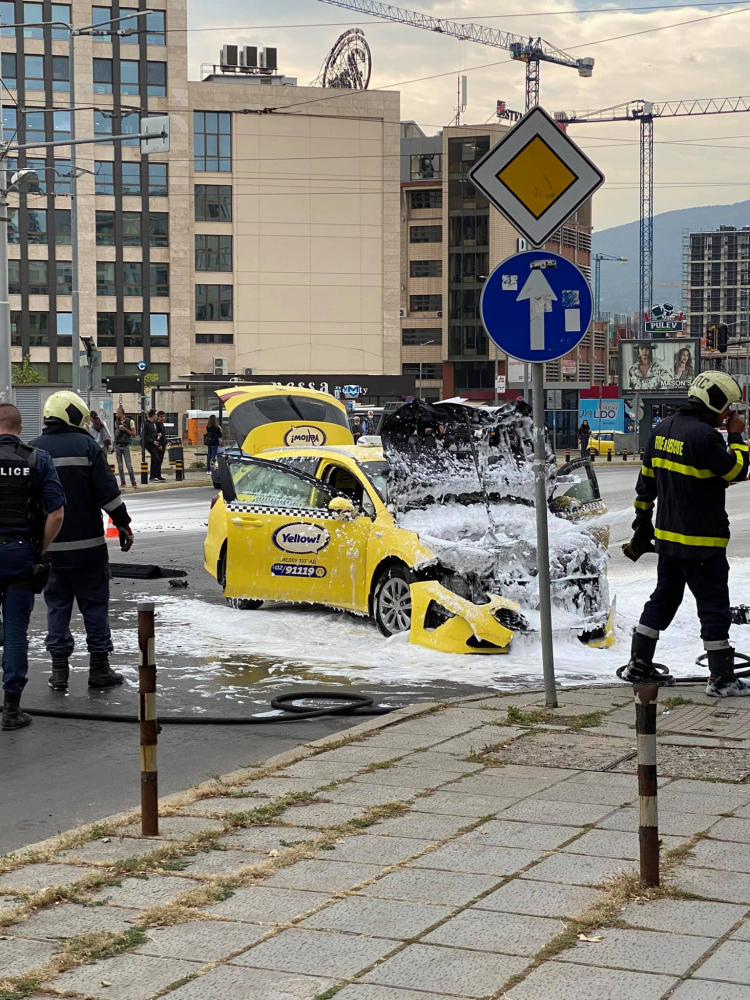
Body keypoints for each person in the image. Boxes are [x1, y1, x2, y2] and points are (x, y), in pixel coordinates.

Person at [622, 371, 750, 697]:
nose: (729, 414)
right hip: (703, 543)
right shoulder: (705, 437)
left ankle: (639, 663)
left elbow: (644, 487)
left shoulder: (662, 430)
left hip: (668, 541)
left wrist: (642, 527)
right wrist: (737, 436)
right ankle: (721, 678)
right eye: (727, 407)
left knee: (663, 599)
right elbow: (738, 470)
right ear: (714, 403)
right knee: (714, 607)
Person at [29, 391, 134, 692]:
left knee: (57, 608)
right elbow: (107, 493)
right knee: (95, 607)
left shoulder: (33, 450)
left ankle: (59, 672)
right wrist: (124, 525)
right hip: (88, 548)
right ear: (72, 415)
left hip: (49, 551)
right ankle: (99, 669)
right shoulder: (87, 446)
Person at [0, 403, 65, 730]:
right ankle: (11, 710)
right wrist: (38, 549)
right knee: (14, 630)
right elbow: (56, 513)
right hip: (19, 553)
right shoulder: (36, 459)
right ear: (19, 427)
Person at [114, 405, 137, 489]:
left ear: (121, 413)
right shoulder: (116, 422)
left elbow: (134, 434)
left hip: (125, 446)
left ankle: (133, 481)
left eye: (117, 413)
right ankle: (122, 481)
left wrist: (125, 429)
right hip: (117, 445)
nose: (116, 414)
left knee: (129, 465)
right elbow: (116, 434)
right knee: (120, 466)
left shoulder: (130, 421)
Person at [143, 410, 165, 483]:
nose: (156, 417)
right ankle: (153, 476)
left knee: (156, 459)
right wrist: (153, 441)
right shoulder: (146, 424)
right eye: (155, 415)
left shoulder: (152, 424)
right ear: (153, 415)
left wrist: (157, 436)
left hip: (153, 444)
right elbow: (144, 436)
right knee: (156, 459)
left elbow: (152, 434)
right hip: (149, 444)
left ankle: (156, 476)